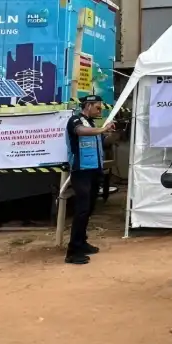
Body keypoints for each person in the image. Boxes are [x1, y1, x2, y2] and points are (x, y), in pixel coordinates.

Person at [64, 95, 115, 265]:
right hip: (81, 171)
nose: (100, 111)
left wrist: (112, 134)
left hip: (94, 170)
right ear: (88, 105)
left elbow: (102, 142)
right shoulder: (76, 120)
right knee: (82, 209)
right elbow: (79, 132)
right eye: (98, 107)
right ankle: (72, 251)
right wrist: (102, 129)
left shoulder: (92, 124)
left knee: (90, 208)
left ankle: (82, 242)